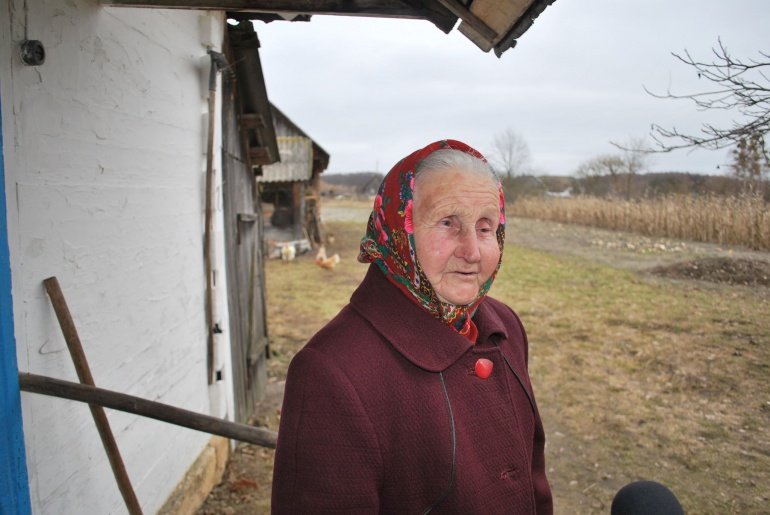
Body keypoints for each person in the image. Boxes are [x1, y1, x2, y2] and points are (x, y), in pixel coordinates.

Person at [271, 139, 553, 514]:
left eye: (486, 227)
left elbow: (533, 483)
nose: (472, 251)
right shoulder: (331, 372)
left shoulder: (505, 328)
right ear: (397, 228)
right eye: (448, 223)